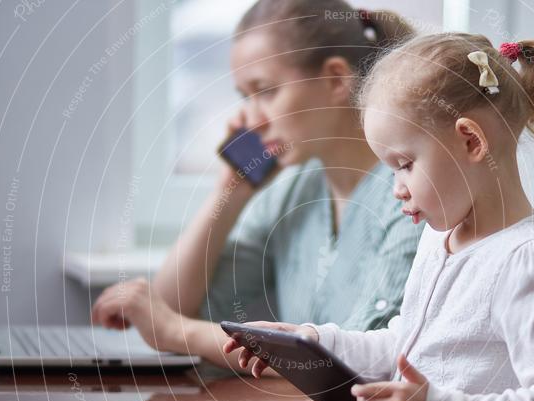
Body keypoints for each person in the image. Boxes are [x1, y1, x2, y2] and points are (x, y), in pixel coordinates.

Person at [225, 33, 534, 401]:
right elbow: (405, 346)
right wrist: (313, 342)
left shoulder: (528, 260)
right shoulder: (439, 240)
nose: (396, 187)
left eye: (404, 165)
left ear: (471, 141)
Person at [91, 0, 421, 369]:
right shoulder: (292, 192)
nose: (249, 119)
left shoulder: (412, 195)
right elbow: (169, 309)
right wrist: (230, 192)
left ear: (335, 79)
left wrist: (178, 331)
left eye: (264, 91)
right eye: (244, 97)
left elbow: (362, 363)